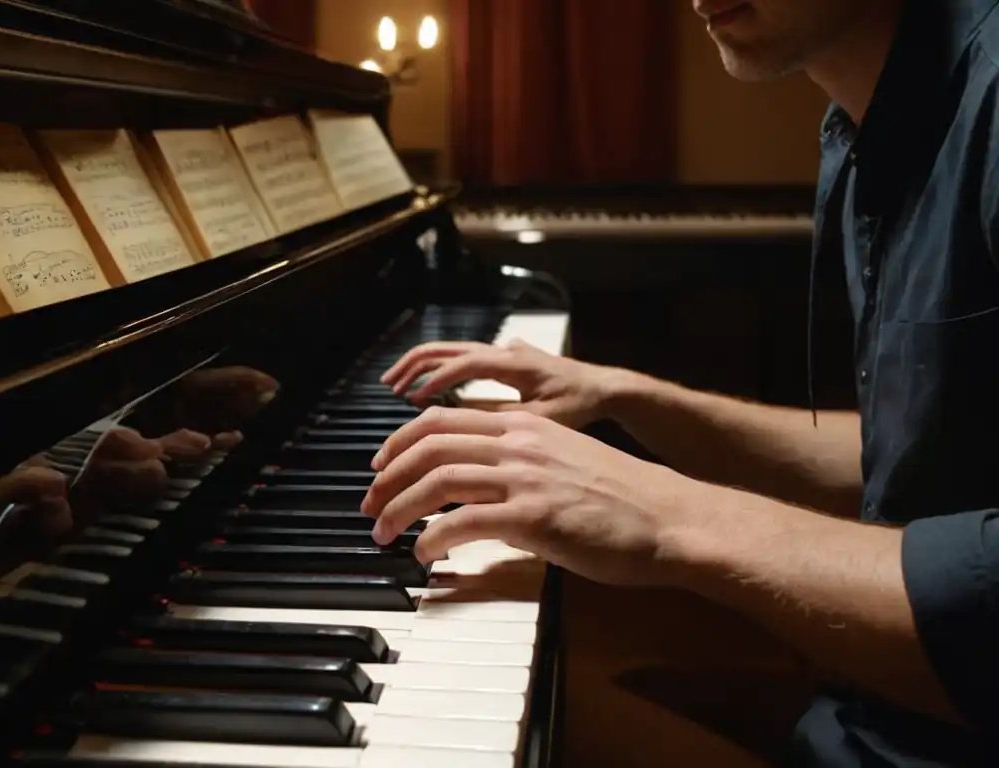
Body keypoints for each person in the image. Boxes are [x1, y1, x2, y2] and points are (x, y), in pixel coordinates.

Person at [363, 0, 999, 765]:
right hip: (868, 709)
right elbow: (914, 453)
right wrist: (630, 396)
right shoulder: (864, 124)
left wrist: (672, 519)